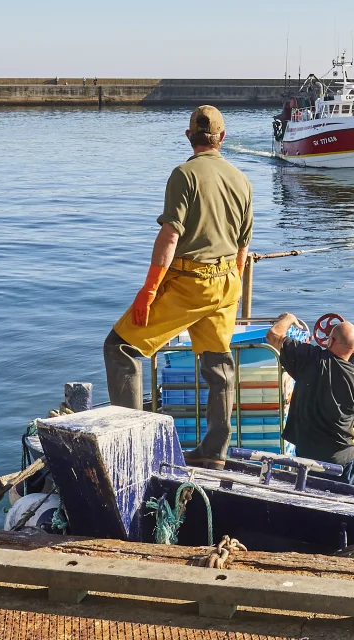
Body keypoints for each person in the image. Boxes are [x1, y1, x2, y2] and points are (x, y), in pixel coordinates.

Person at [104, 105, 253, 468]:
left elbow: (170, 235)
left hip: (190, 283)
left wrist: (149, 291)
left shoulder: (183, 175)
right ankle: (214, 451)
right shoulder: (241, 180)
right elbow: (243, 246)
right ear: (222, 137)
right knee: (218, 365)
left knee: (120, 347)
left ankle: (132, 445)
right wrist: (231, 287)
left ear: (189, 136)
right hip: (227, 282)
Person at [266, 312, 354, 482]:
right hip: (342, 462)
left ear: (329, 341)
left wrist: (289, 318)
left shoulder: (309, 359)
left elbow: (273, 335)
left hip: (307, 460)